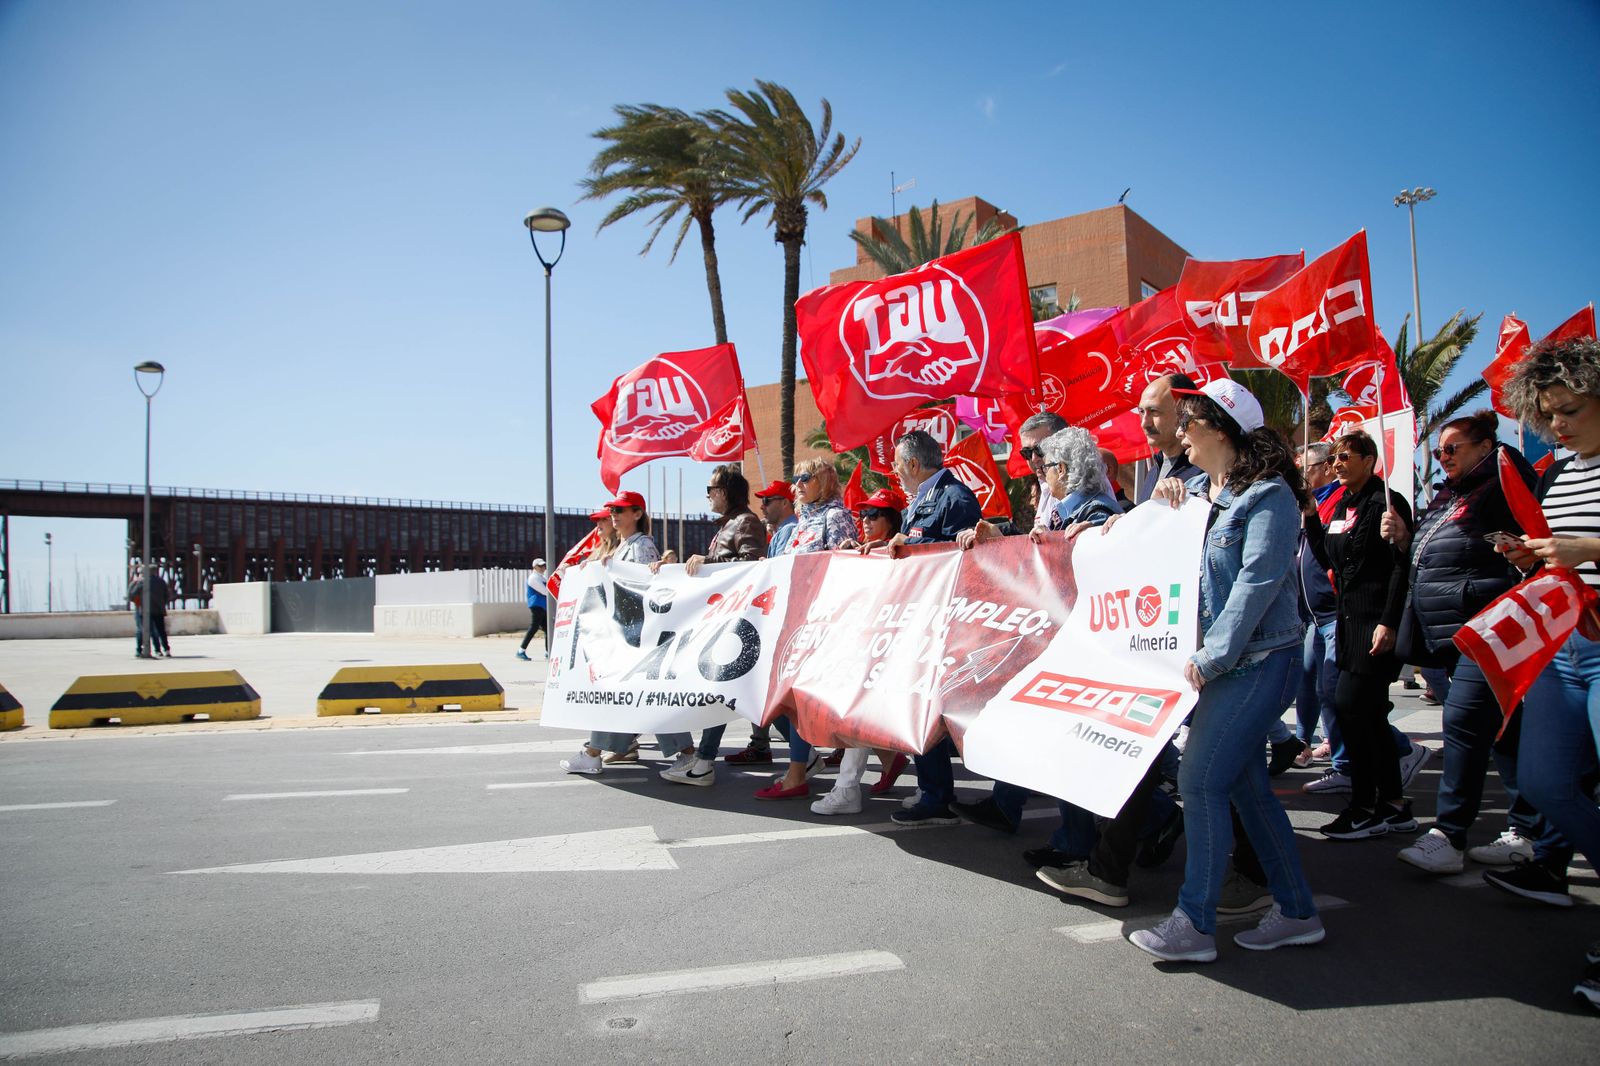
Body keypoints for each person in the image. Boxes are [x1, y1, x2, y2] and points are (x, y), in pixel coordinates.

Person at [1127, 378, 1321, 963]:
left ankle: (1194, 923)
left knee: (1199, 782)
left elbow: (1257, 583)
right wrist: (1162, 513)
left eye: (1186, 423)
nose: (1177, 434)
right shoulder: (1208, 495)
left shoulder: (1269, 497)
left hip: (1254, 663)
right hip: (1226, 665)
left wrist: (1210, 658)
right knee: (1246, 790)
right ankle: (1298, 912)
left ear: (1219, 428)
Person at [1395, 411, 1560, 874]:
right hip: (1464, 628)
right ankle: (1527, 832)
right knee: (1505, 732)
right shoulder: (1457, 491)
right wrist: (1408, 538)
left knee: (1465, 722)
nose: (1442, 457)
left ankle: (1449, 835)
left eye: (1453, 448)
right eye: (1439, 450)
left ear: (1485, 447)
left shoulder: (1505, 481)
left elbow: (1530, 543)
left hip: (1491, 625)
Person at [1497, 337, 1600, 1009]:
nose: (1557, 424)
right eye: (1547, 412)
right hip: (1564, 644)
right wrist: (1530, 558)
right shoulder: (1557, 470)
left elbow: (1583, 547)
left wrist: (1585, 546)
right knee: (1543, 782)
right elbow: (1558, 555)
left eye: (1569, 409)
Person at [1305, 429, 1417, 840]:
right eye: (1334, 457)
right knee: (1368, 715)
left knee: (1351, 706)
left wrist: (1389, 620)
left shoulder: (1386, 503)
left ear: (1370, 460)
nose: (1337, 463)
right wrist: (1311, 522)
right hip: (1348, 621)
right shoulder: (1343, 505)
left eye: (1346, 455)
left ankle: (1365, 805)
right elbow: (1328, 559)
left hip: (1376, 624)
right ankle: (1393, 804)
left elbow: (1399, 567)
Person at [873, 430, 984, 827]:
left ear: (915, 465)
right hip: (921, 621)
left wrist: (914, 547)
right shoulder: (923, 499)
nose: (894, 472)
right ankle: (932, 791)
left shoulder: (955, 498)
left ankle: (939, 796)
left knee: (934, 708)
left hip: (944, 625)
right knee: (918, 705)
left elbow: (966, 559)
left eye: (898, 464)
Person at [560, 491, 693, 775]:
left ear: (637, 514)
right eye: (613, 511)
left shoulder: (641, 546)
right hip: (628, 635)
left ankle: (686, 754)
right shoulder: (624, 546)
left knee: (639, 699)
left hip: (637, 637)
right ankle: (596, 752)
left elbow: (644, 588)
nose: (614, 516)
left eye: (620, 511)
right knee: (631, 699)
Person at [751, 458, 858, 801]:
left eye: (804, 477)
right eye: (795, 478)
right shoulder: (802, 522)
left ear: (824, 480)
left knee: (797, 697)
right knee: (789, 697)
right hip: (795, 616)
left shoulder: (835, 516)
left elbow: (847, 560)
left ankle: (798, 772)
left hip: (821, 620)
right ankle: (888, 759)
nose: (796, 483)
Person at [660, 465, 767, 788]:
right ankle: (807, 758)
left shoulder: (745, 522)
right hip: (725, 620)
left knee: (721, 690)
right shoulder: (729, 525)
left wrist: (709, 563)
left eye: (711, 489)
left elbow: (751, 565)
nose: (707, 495)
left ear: (725, 492)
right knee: (735, 694)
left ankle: (705, 761)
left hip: (738, 622)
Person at [808, 486, 913, 814]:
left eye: (874, 514)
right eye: (862, 513)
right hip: (869, 647)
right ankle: (849, 787)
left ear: (893, 520)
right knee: (859, 713)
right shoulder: (864, 552)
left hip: (903, 647)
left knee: (914, 718)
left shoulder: (911, 552)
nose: (865, 520)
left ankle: (929, 789)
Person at [956, 411, 1069, 550]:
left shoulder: (1081, 486)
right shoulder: (1043, 486)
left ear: (1064, 443)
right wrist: (996, 535)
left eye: (1040, 449)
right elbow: (1034, 547)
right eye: (1027, 453)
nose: (1034, 458)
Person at [1135, 373, 1202, 503]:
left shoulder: (1204, 468)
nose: (1144, 423)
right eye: (1141, 412)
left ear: (1183, 411)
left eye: (1154, 411)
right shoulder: (1154, 471)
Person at [516, 558, 548, 661]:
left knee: (548, 629)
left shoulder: (542, 578)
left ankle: (548, 652)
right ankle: (521, 651)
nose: (543, 567)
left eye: (544, 565)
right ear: (534, 567)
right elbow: (545, 591)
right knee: (534, 627)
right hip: (536, 605)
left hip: (543, 606)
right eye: (540, 566)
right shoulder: (533, 578)